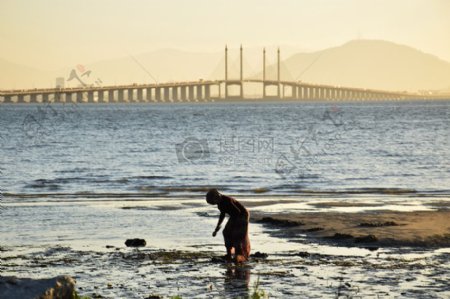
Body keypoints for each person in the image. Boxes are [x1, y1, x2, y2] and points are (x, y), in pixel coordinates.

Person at [206, 189, 251, 262]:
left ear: (217, 196)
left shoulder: (228, 200)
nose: (214, 203)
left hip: (242, 215)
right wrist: (217, 228)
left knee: (237, 234)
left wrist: (233, 225)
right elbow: (222, 215)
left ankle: (239, 254)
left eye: (213, 201)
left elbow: (238, 212)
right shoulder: (219, 204)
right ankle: (229, 254)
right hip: (234, 216)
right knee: (226, 232)